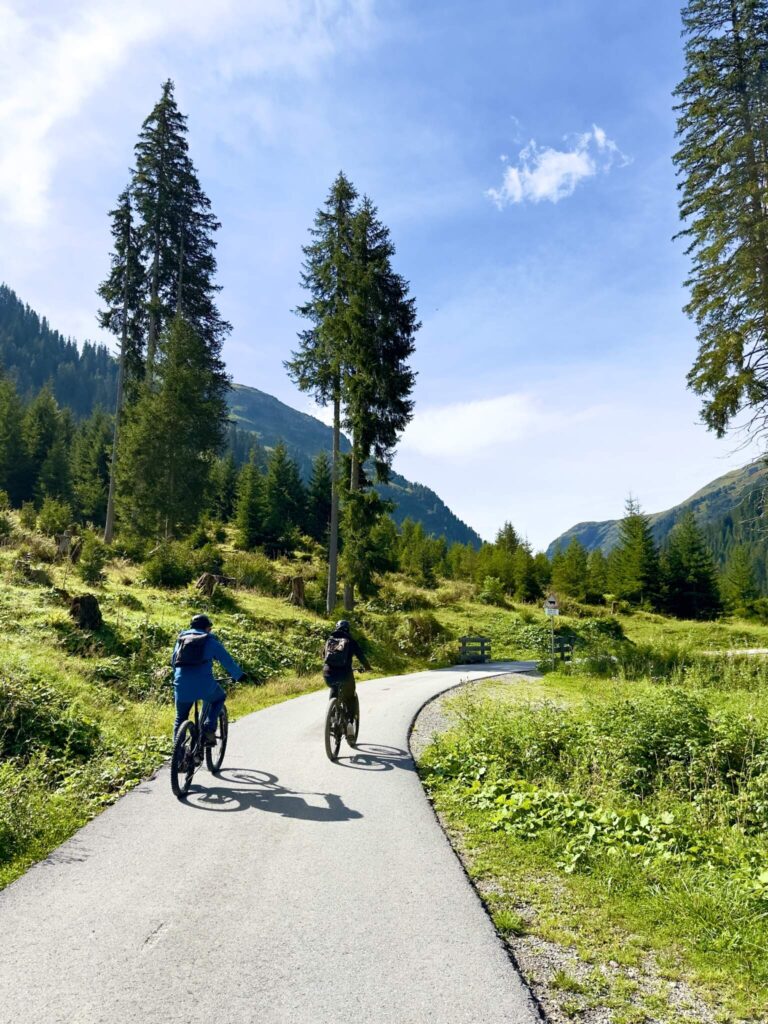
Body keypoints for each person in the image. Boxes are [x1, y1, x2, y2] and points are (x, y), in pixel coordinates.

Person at [171, 613, 245, 743]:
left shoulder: (181, 640)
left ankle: (178, 755)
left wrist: (178, 679)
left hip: (181, 684)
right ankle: (209, 728)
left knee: (180, 718)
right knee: (219, 697)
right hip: (204, 684)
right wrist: (239, 676)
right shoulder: (210, 642)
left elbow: (174, 662)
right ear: (207, 628)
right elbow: (227, 661)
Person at [323, 620, 371, 740]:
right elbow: (360, 655)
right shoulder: (350, 641)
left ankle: (333, 715)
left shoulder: (329, 640)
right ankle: (349, 725)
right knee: (350, 697)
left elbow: (324, 656)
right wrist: (367, 667)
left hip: (328, 673)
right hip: (345, 674)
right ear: (348, 629)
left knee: (334, 688)